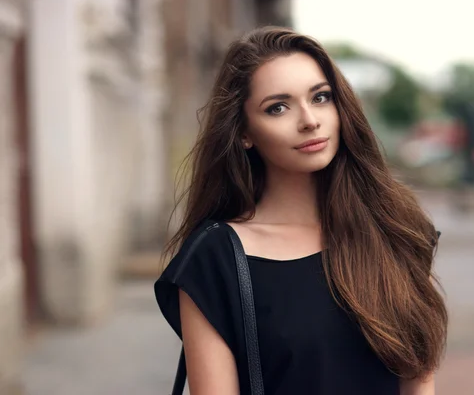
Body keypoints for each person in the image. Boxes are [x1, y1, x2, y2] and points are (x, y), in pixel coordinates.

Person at [155, 26, 447, 395]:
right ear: (244, 132)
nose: (309, 120)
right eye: (277, 107)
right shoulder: (216, 259)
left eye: (321, 97)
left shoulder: (394, 229)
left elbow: (418, 378)